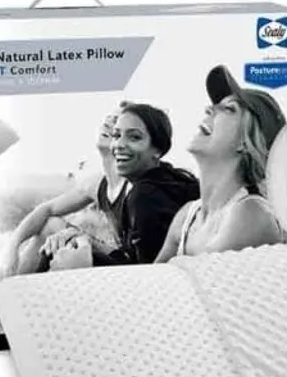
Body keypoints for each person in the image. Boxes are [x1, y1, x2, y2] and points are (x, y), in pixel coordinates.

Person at [156, 65, 287, 261]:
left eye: (228, 109)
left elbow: (202, 276)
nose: (209, 108)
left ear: (246, 141)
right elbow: (154, 277)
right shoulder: (187, 217)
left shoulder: (252, 213)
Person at [45, 102, 199, 267]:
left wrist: (82, 262)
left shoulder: (146, 196)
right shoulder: (162, 180)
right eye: (117, 135)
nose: (119, 145)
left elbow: (147, 273)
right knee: (65, 237)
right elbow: (133, 258)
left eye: (134, 137)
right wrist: (85, 239)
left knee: (64, 251)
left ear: (158, 150)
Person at [1, 108, 128, 276]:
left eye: (116, 120)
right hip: (118, 256)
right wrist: (12, 248)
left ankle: (19, 282)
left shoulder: (135, 185)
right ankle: (16, 279)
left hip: (132, 269)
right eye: (109, 117)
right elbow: (46, 209)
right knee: (52, 225)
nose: (109, 120)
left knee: (69, 238)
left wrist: (83, 239)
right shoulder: (97, 183)